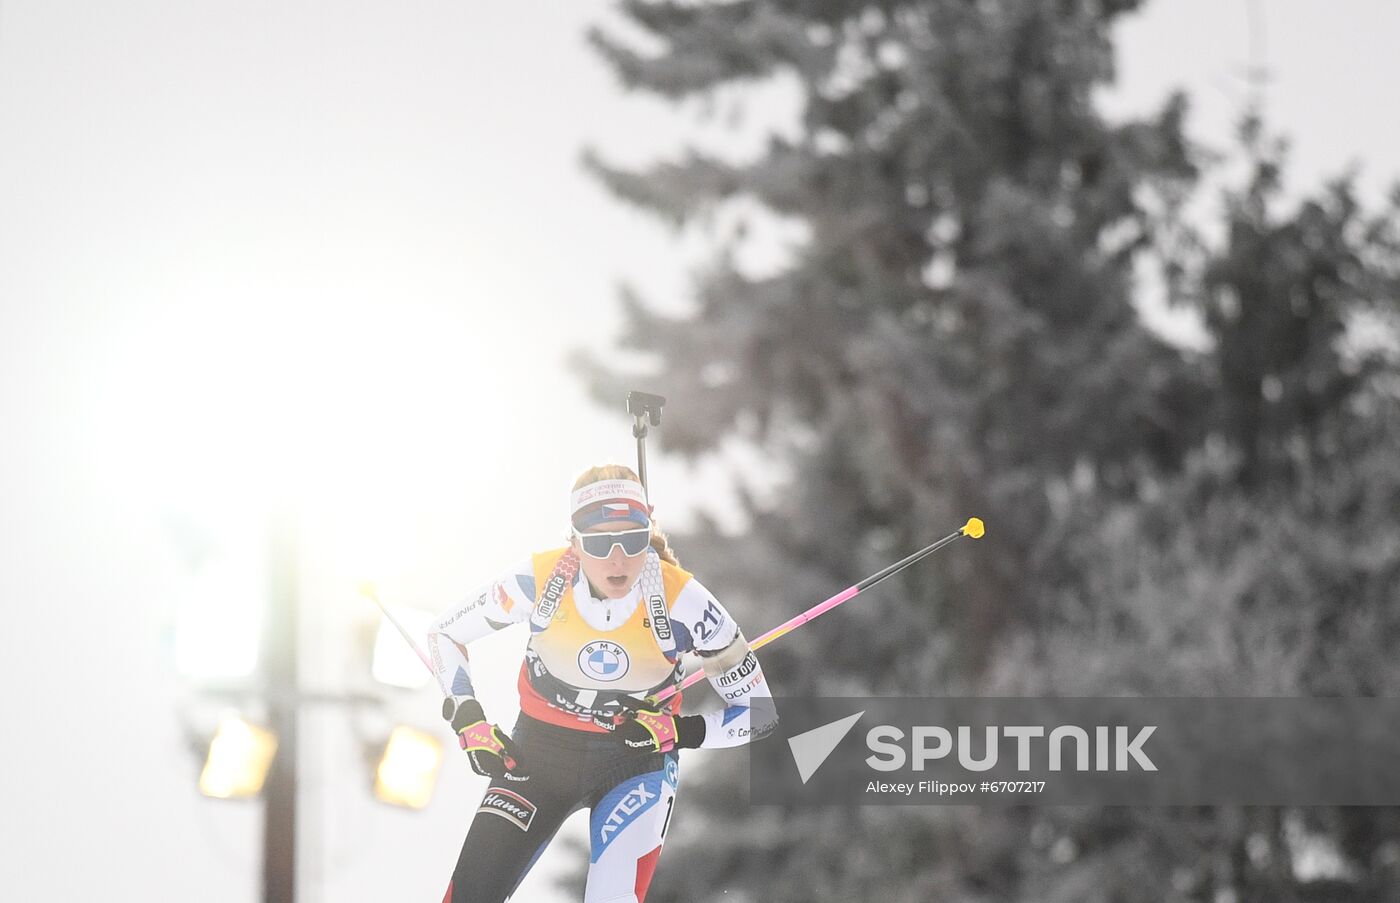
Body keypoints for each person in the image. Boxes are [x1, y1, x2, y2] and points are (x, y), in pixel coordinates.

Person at [426, 464, 778, 903]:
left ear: (647, 534)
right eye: (598, 542)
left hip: (635, 764)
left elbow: (760, 714)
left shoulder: (683, 601)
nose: (617, 558)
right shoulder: (538, 580)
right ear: (573, 541)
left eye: (632, 539)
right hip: (538, 756)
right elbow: (444, 634)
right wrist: (468, 718)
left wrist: (680, 731)